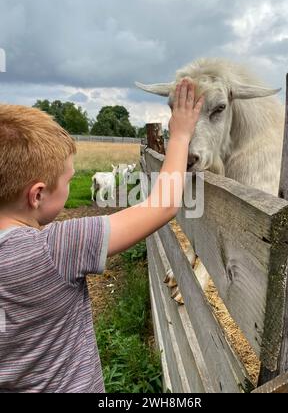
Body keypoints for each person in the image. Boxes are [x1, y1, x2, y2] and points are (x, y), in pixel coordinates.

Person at [0, 79, 204, 393]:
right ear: (37, 195)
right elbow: (163, 205)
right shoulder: (53, 249)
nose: (69, 189)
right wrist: (180, 134)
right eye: (68, 180)